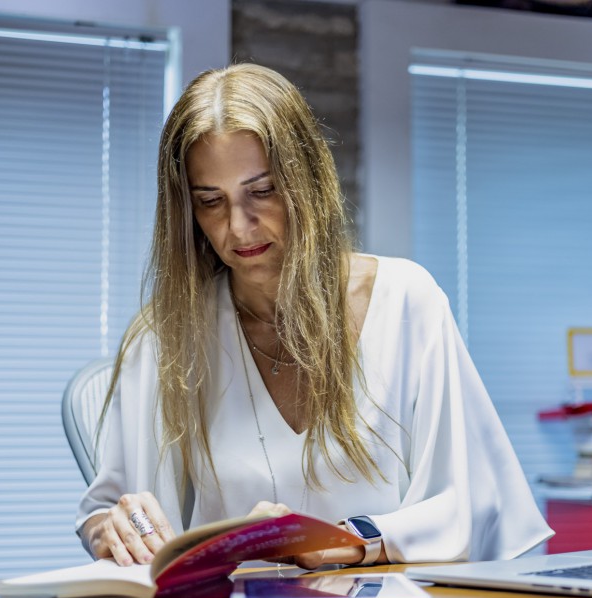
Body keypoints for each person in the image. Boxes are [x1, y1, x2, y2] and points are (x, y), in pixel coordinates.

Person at [76, 63, 552, 570]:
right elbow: (107, 511)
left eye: (262, 191)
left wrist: (350, 541)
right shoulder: (167, 334)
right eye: (211, 202)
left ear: (307, 182)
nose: (239, 227)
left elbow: (474, 504)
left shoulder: (407, 302)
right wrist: (113, 526)